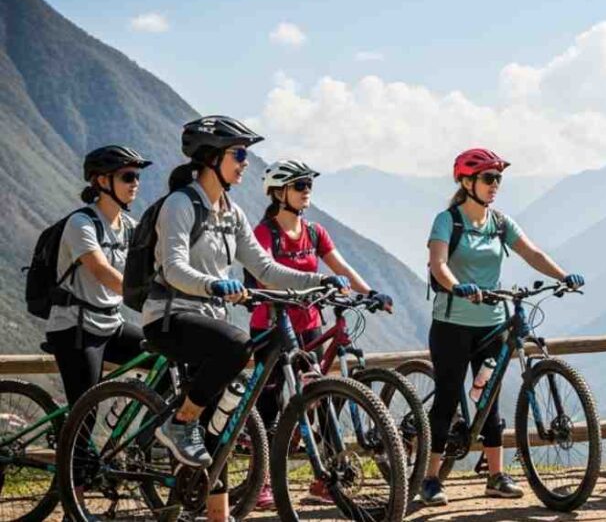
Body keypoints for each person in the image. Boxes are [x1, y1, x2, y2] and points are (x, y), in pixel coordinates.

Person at [142, 115, 349, 522]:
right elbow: (173, 269)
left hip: (209, 320)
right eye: (239, 154)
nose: (246, 163)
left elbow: (266, 267)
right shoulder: (181, 204)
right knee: (237, 345)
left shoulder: (230, 211)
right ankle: (180, 422)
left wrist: (319, 280)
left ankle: (218, 514)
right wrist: (214, 285)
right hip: (171, 316)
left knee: (221, 429)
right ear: (211, 158)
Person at [419, 148, 586, 507]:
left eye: (498, 179)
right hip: (453, 323)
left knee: (490, 399)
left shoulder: (499, 222)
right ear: (467, 182)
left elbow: (532, 253)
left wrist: (563, 276)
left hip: (492, 324)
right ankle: (430, 477)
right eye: (488, 178)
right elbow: (438, 263)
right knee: (447, 399)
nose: (495, 185)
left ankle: (495, 476)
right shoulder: (448, 220)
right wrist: (456, 286)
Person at [249, 159, 392, 509]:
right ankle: (262, 481)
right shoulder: (265, 232)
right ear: (279, 192)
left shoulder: (314, 232)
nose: (306, 191)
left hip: (309, 324)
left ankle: (323, 480)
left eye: (308, 185)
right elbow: (264, 275)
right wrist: (306, 285)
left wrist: (370, 291)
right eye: (300, 186)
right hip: (270, 325)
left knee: (322, 397)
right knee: (269, 405)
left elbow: (341, 267)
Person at [47, 145, 153, 521]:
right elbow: (101, 271)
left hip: (109, 321)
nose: (135, 183)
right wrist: (144, 296)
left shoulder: (128, 225)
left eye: (137, 176)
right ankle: (72, 509)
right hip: (75, 326)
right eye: (128, 176)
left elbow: (152, 266)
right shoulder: (81, 224)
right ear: (101, 181)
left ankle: (143, 443)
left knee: (162, 354)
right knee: (85, 410)